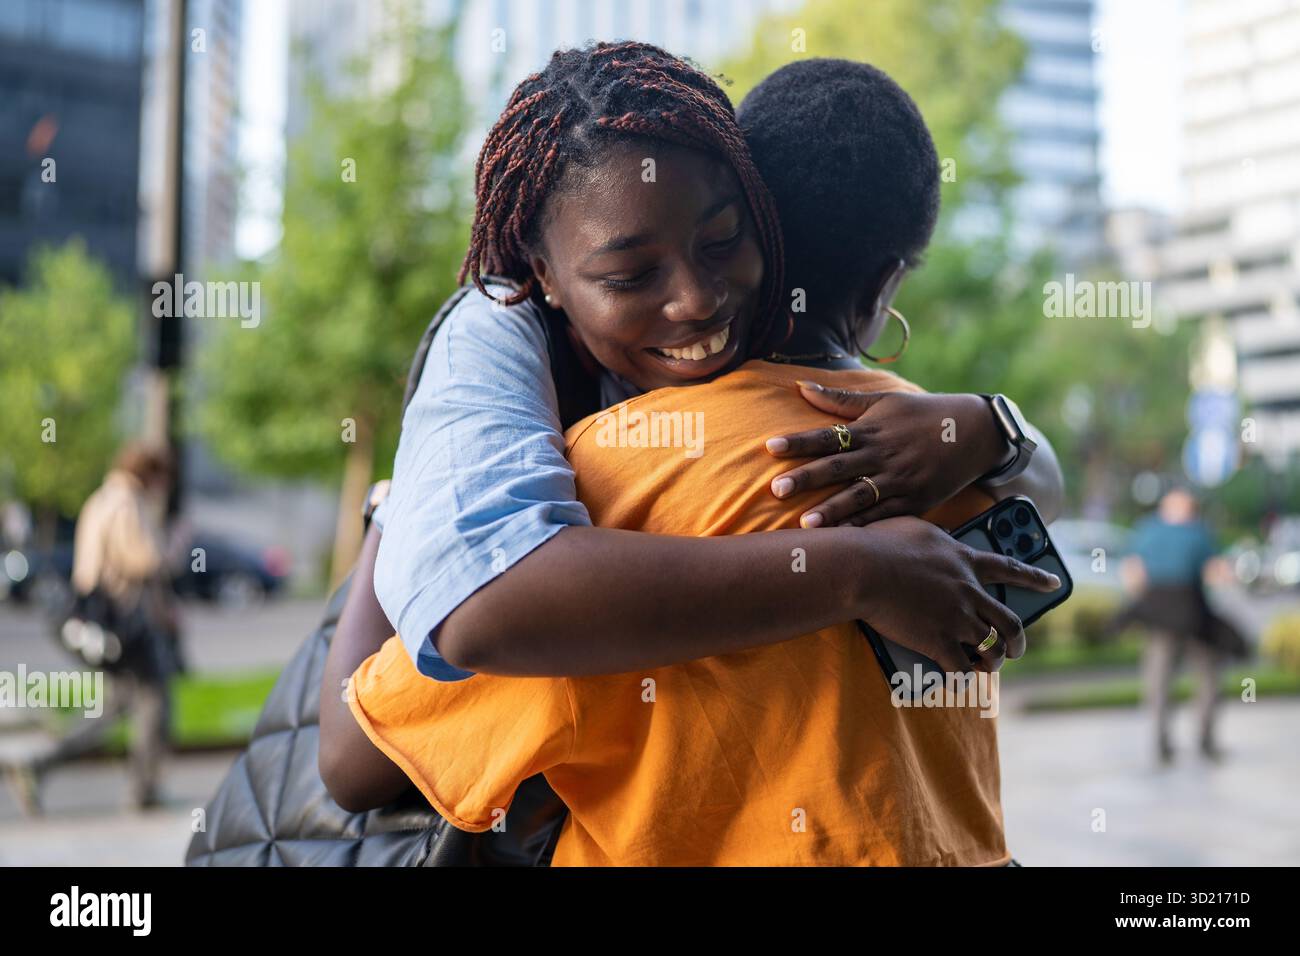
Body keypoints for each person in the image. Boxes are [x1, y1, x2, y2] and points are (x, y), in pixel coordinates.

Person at [337, 58, 1062, 864]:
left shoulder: (602, 499)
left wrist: (399, 510)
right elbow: (477, 608)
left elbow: (357, 754)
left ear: (758, 216)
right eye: (630, 274)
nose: (697, 299)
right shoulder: (935, 458)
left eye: (720, 243)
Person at [10, 443, 182, 813]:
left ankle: (39, 764)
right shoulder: (127, 504)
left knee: (115, 706)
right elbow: (142, 560)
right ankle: (142, 790)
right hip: (128, 623)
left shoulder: (101, 499)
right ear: (149, 473)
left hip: (108, 623)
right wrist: (174, 548)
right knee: (155, 702)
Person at [1118, 485, 1240, 764]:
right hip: (1193, 614)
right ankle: (1203, 741)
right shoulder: (1199, 532)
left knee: (1159, 680)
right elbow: (1216, 572)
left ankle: (1164, 743)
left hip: (1164, 615)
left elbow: (1133, 573)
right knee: (1207, 676)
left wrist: (1142, 604)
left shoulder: (1147, 530)